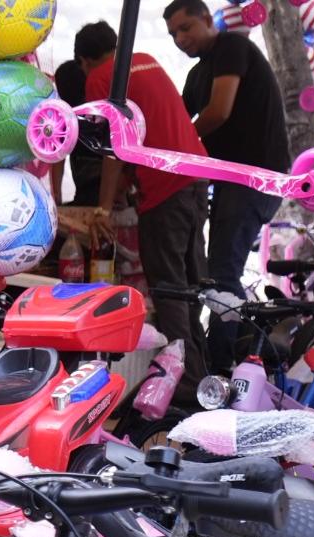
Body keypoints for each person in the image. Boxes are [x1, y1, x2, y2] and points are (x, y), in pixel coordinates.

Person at [71, 21, 209, 365]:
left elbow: (114, 147)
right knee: (192, 284)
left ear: (84, 61)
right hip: (196, 176)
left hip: (165, 187)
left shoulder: (101, 77)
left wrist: (102, 209)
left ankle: (181, 378)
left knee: (168, 287)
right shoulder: (146, 60)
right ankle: (201, 370)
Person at [164, 0, 293, 291]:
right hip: (231, 179)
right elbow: (176, 124)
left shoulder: (231, 46)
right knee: (216, 273)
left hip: (254, 176)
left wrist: (179, 148)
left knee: (222, 275)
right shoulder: (196, 74)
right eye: (173, 34)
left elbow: (218, 111)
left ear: (208, 19)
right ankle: (233, 321)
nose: (180, 39)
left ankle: (229, 324)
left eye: (185, 28)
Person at [47, 23, 113, 206]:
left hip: (104, 188)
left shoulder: (80, 112)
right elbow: (58, 153)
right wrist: (56, 197)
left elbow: (58, 156)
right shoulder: (69, 115)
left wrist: (56, 198)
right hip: (102, 188)